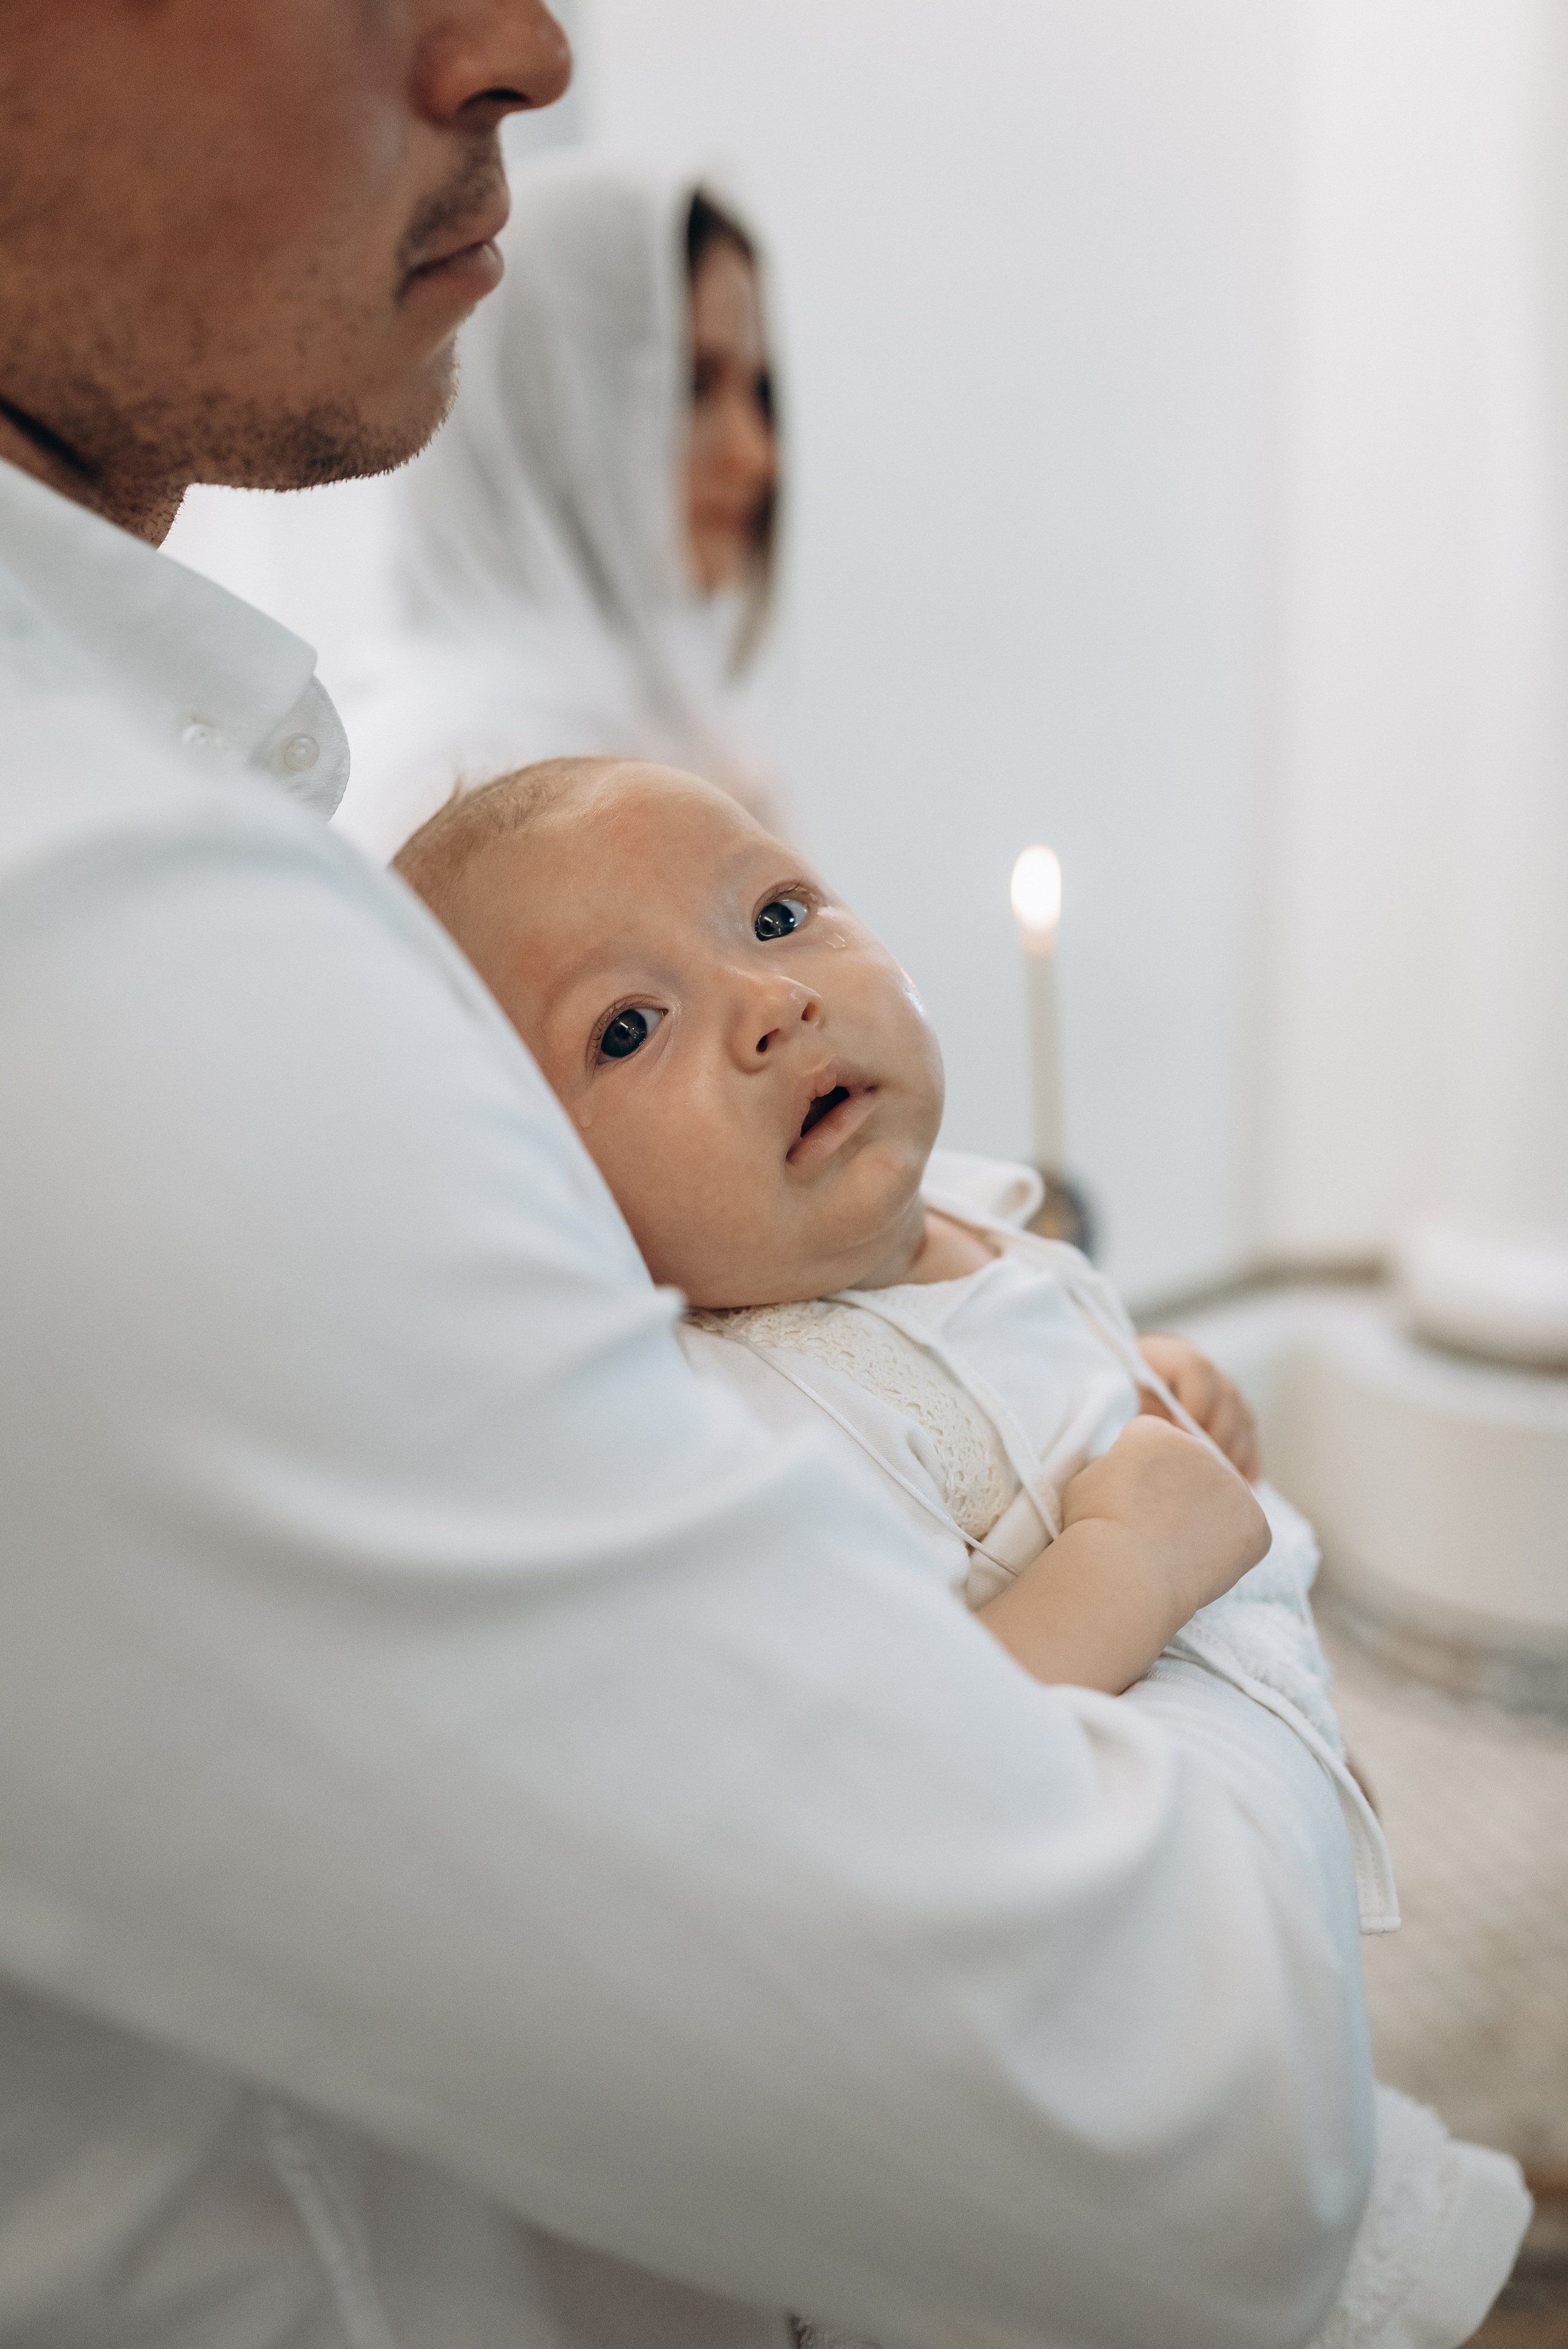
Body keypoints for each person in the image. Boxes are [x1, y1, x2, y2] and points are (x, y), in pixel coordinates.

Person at [0, 7, 1384, 2344]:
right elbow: (1187, 2126)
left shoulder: (191, 793)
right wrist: (1178, 1553)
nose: (525, 45)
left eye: (775, 914)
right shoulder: (103, 936)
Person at [392, 752, 1532, 2349]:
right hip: (1063, 2165)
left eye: (779, 913)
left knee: (1385, 2200)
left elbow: (1056, 1376)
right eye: (626, 1027)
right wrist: (1130, 1554)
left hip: (1242, 1986)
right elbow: (913, 1759)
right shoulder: (739, 1416)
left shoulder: (987, 1213)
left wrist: (1168, 1394)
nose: (769, 1001)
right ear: (539, 1198)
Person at [334, 151, 785, 862]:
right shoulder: (460, 781)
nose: (754, 454)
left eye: (756, 393)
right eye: (692, 386)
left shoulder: (665, 728)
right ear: (543, 402)